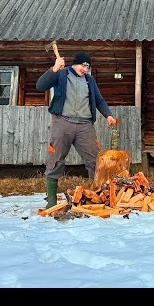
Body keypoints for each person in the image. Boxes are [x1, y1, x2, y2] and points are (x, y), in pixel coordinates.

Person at [36, 51, 118, 208]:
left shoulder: (89, 80)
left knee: (96, 160)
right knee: (55, 159)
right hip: (62, 122)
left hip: (85, 126)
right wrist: (54, 68)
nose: (85, 69)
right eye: (83, 65)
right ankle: (52, 199)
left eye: (87, 66)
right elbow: (40, 86)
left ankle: (98, 195)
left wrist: (108, 115)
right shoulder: (60, 74)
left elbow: (99, 100)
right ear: (74, 63)